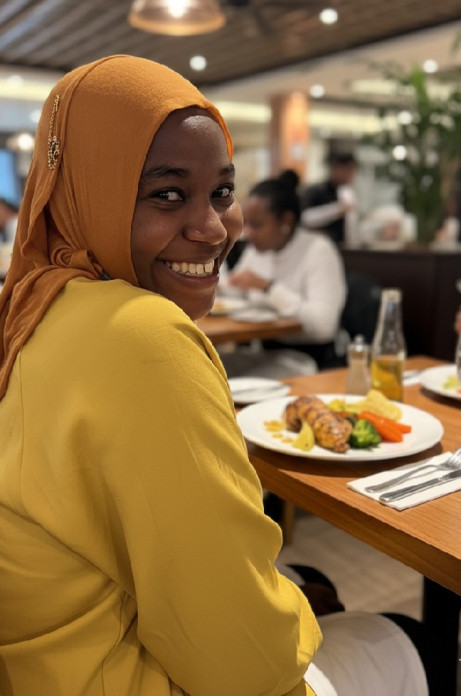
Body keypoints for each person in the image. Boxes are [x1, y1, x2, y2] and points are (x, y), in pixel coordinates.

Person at [0, 55, 434, 696]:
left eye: (222, 193)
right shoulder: (140, 336)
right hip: (111, 674)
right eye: (166, 194)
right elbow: (243, 662)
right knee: (407, 635)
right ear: (86, 190)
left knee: (309, 582)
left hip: (41, 661)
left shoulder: (30, 306)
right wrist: (297, 618)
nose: (213, 229)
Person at [223, 170, 347, 371]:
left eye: (257, 225)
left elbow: (324, 326)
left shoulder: (319, 250)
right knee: (212, 369)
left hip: (309, 358)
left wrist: (269, 288)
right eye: (247, 224)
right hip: (264, 351)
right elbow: (235, 292)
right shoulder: (257, 250)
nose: (248, 233)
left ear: (286, 221)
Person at [300, 151, 358, 244]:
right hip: (318, 244)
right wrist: (337, 210)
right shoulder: (316, 191)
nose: (351, 175)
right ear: (335, 168)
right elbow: (305, 218)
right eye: (347, 170)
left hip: (343, 245)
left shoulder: (348, 192)